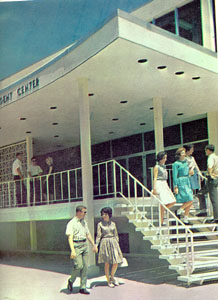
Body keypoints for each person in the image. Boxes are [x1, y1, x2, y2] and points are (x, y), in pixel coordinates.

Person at [65, 205, 98, 295]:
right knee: (78, 265)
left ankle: (82, 287)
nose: (85, 214)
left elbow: (88, 234)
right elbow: (70, 237)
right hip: (76, 245)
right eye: (84, 212)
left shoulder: (84, 222)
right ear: (79, 212)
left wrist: (93, 244)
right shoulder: (71, 223)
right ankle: (71, 280)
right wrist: (72, 250)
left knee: (85, 267)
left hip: (84, 244)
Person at [96, 207, 123, 288]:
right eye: (102, 214)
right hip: (105, 243)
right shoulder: (100, 224)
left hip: (113, 243)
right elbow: (98, 236)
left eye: (105, 214)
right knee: (107, 263)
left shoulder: (113, 224)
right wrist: (96, 245)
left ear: (109, 214)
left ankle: (112, 276)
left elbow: (116, 234)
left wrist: (117, 244)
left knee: (116, 262)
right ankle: (108, 281)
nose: (103, 216)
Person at [152, 151, 176, 226]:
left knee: (173, 201)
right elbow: (155, 177)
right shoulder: (157, 167)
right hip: (159, 183)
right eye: (164, 158)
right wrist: (154, 188)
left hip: (165, 183)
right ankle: (161, 221)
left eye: (165, 158)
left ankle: (162, 210)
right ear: (160, 158)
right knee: (163, 202)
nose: (165, 159)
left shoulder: (164, 167)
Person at [172, 147, 193, 225]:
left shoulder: (186, 162)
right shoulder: (176, 164)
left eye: (184, 152)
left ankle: (185, 218)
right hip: (180, 181)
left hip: (187, 180)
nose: (184, 153)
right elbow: (175, 176)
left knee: (189, 199)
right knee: (190, 199)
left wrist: (190, 173)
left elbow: (187, 172)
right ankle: (180, 210)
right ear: (179, 154)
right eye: (182, 152)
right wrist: (175, 186)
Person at [198, 145, 218, 223]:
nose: (205, 152)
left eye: (206, 150)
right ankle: (203, 210)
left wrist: (210, 174)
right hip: (216, 178)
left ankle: (216, 217)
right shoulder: (216, 157)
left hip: (212, 179)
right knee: (201, 193)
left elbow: (210, 167)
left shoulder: (211, 158)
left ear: (209, 150)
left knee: (214, 198)